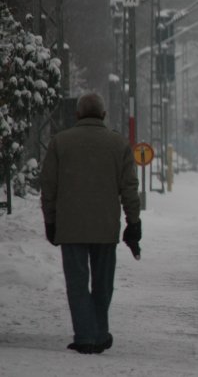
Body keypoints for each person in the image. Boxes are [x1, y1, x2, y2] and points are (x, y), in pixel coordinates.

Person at [40, 92, 141, 355]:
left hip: (71, 226)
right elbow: (129, 188)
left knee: (77, 282)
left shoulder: (60, 143)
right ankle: (99, 332)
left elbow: (48, 186)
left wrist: (50, 220)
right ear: (104, 115)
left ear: (77, 115)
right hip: (105, 227)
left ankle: (85, 335)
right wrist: (134, 222)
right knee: (103, 283)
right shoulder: (118, 144)